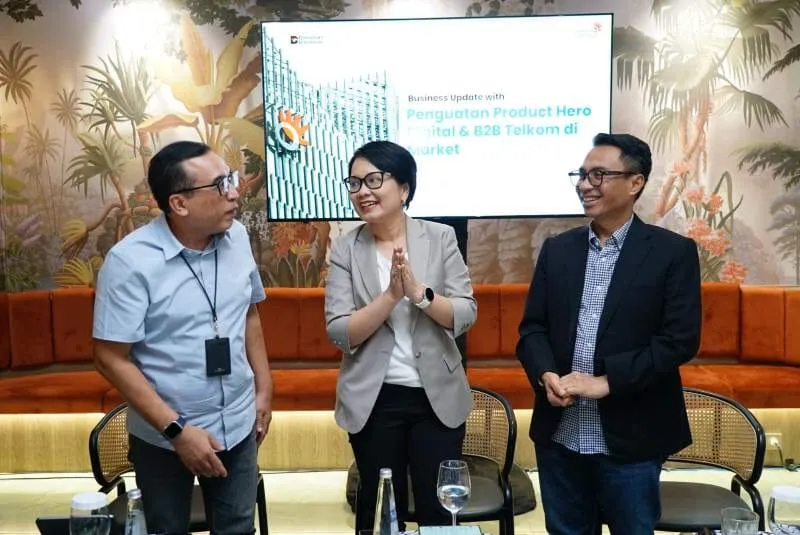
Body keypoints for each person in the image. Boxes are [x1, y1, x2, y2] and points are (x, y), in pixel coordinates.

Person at [516, 133, 702, 535]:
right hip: (560, 434)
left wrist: (606, 381)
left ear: (635, 182)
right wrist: (545, 374)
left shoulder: (672, 253)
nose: (585, 185)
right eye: (582, 175)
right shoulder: (558, 250)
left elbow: (679, 341)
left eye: (598, 175)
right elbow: (532, 329)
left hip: (632, 436)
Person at [93, 141, 272, 535]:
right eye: (221, 184)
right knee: (167, 529)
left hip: (238, 423)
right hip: (164, 439)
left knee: (238, 527)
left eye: (231, 178)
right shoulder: (130, 262)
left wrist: (264, 389)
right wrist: (176, 431)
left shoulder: (238, 237)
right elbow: (109, 357)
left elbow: (249, 313)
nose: (235, 192)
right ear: (179, 203)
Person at [324, 140, 476, 533]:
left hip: (436, 398)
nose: (363, 191)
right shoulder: (346, 248)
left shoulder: (439, 237)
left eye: (374, 180)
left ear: (404, 189)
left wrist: (419, 295)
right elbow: (339, 331)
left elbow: (465, 313)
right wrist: (391, 296)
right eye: (355, 183)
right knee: (381, 513)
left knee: (438, 513)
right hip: (374, 399)